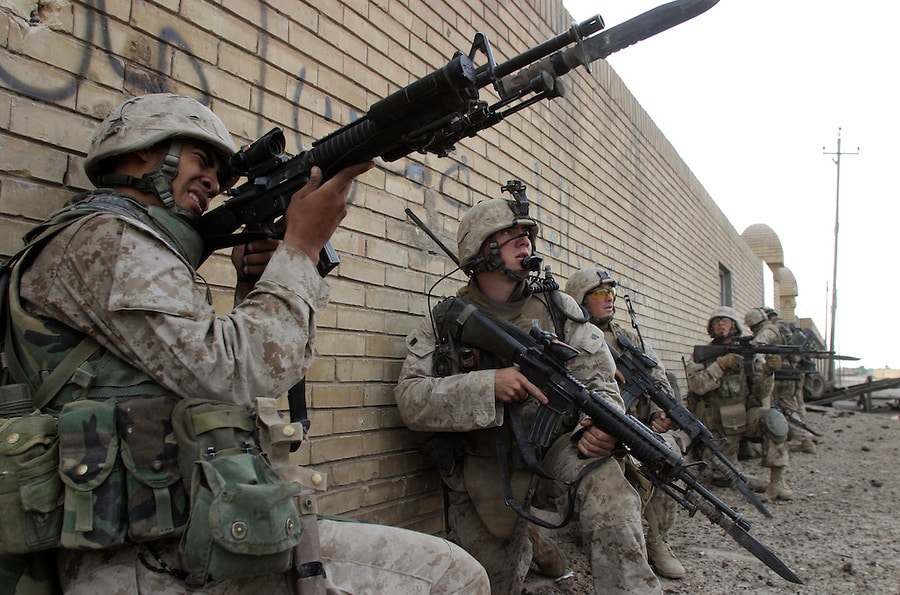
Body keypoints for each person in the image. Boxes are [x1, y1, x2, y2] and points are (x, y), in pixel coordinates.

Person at [0, 93, 488, 594]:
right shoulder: (106, 237)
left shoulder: (123, 245)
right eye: (201, 161)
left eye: (220, 173)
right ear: (140, 151)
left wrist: (261, 282)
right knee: (451, 577)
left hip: (193, 528)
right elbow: (233, 371)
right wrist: (300, 249)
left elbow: (224, 374)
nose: (214, 183)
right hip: (140, 559)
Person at [394, 190, 661, 594]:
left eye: (527, 235)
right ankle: (538, 551)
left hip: (560, 447)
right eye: (510, 234)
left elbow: (601, 378)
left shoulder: (559, 307)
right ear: (480, 251)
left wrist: (604, 423)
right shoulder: (446, 320)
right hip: (487, 463)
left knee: (612, 496)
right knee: (489, 581)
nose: (525, 242)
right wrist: (487, 386)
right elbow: (412, 400)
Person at [564, 267, 686, 580]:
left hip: (637, 426)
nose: (609, 300)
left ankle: (657, 539)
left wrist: (664, 413)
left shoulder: (625, 338)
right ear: (581, 300)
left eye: (612, 294)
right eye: (600, 294)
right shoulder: (570, 336)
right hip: (595, 430)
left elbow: (656, 377)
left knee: (668, 453)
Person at [684, 307, 792, 503]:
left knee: (774, 419)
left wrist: (768, 371)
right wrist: (721, 365)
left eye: (726, 321)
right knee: (724, 478)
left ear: (734, 326)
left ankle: (777, 482)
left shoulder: (748, 355)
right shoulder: (701, 355)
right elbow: (698, 386)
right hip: (715, 426)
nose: (721, 324)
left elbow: (760, 392)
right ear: (711, 327)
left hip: (743, 418)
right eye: (717, 321)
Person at [747, 308, 817, 454]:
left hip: (781, 375)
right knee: (785, 409)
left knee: (786, 410)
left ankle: (806, 441)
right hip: (784, 373)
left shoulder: (768, 331)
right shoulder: (776, 328)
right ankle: (802, 439)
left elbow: (757, 348)